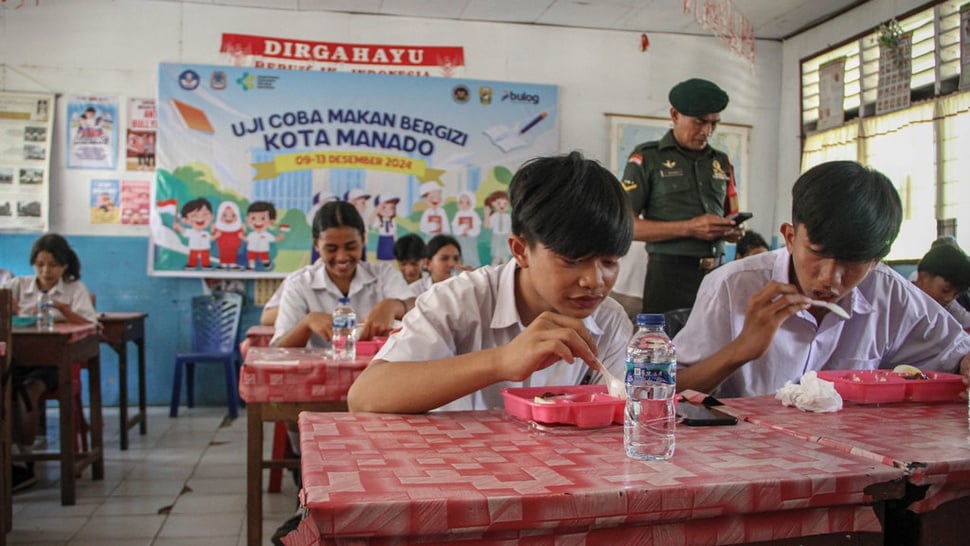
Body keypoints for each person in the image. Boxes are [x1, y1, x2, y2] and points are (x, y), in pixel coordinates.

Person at [347, 151, 634, 414]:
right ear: (521, 250)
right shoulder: (459, 301)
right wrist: (501, 361)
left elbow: (623, 412)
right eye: (572, 260)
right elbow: (365, 395)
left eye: (609, 262)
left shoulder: (608, 321)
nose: (594, 281)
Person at [673, 161, 970, 398]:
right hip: (743, 456)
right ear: (790, 237)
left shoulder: (889, 292)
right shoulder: (732, 286)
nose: (830, 278)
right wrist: (740, 351)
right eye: (816, 253)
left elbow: (956, 353)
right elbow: (665, 389)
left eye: (851, 263)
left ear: (876, 259)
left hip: (854, 460)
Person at [621, 78, 742, 314]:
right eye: (699, 122)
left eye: (713, 124)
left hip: (715, 273)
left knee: (715, 346)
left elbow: (732, 217)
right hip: (668, 276)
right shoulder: (647, 159)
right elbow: (626, 227)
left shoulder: (721, 162)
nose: (706, 131)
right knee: (666, 346)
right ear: (675, 115)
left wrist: (732, 231)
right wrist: (689, 228)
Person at [4, 233, 98, 492]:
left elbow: (92, 324)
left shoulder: (73, 288)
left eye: (53, 265)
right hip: (18, 360)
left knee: (29, 391)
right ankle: (10, 460)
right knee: (9, 388)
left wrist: (62, 310)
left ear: (65, 265)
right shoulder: (16, 286)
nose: (46, 271)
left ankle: (26, 457)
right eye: (40, 264)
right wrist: (7, 311)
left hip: (55, 363)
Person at [271, 200, 415, 347]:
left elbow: (418, 307)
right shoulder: (299, 283)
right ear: (316, 245)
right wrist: (307, 323)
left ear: (363, 239)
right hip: (320, 369)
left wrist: (393, 305)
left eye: (351, 247)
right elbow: (278, 348)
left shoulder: (384, 275)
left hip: (376, 368)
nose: (341, 257)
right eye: (331, 249)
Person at [912, 244, 970, 329]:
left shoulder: (947, 306)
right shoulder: (901, 300)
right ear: (923, 277)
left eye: (955, 294)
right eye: (945, 290)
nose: (949, 298)